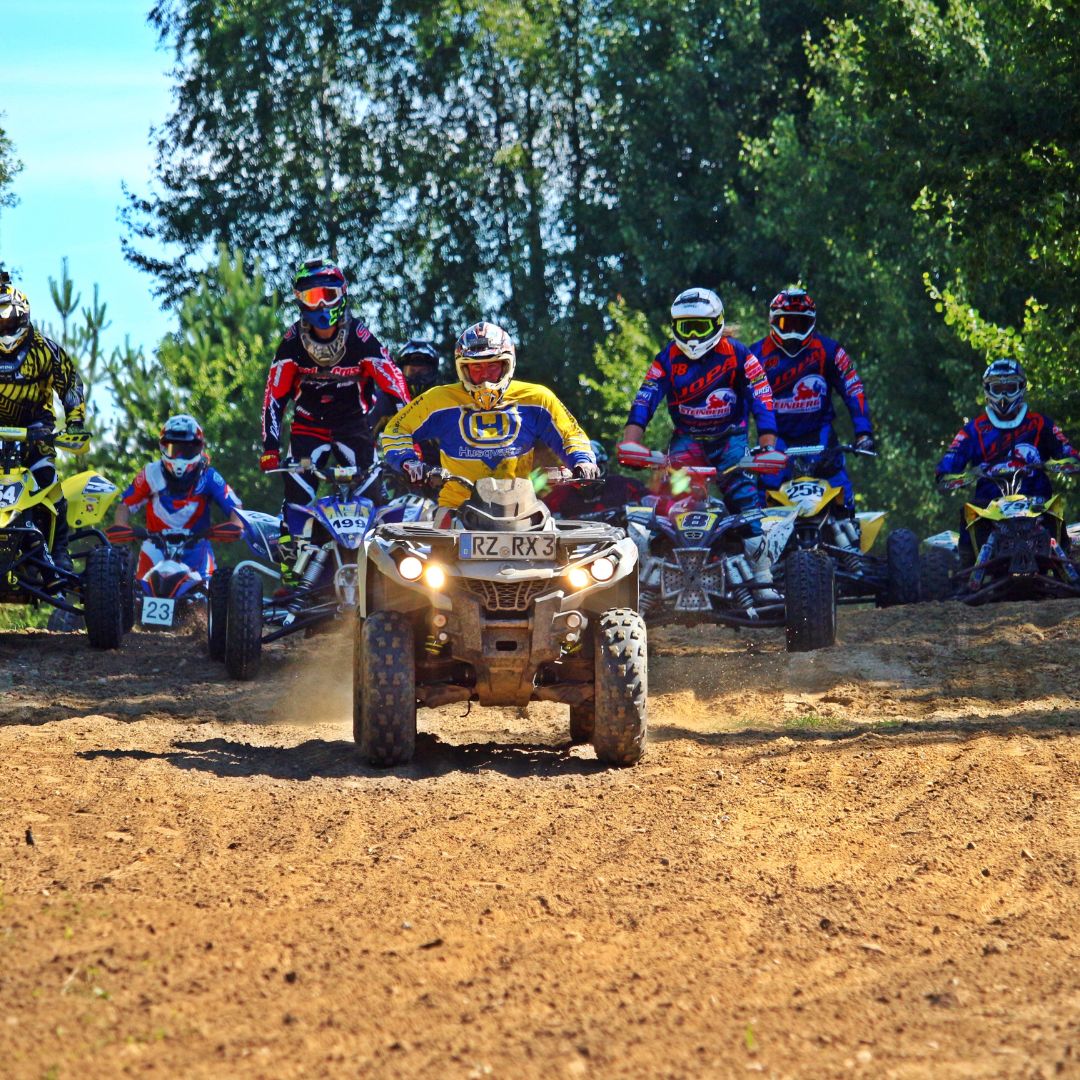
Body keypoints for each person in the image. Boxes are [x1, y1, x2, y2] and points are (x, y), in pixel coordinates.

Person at [617, 287, 778, 590]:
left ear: (717, 324)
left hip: (729, 440)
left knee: (744, 495)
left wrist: (767, 445)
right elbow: (645, 399)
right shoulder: (667, 357)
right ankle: (648, 582)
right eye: (684, 327)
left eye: (699, 327)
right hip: (688, 440)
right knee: (667, 500)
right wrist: (632, 443)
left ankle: (762, 577)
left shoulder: (739, 353)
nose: (691, 336)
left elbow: (763, 397)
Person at [260, 258, 410, 581]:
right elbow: (274, 396)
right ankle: (291, 576)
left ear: (342, 295)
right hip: (307, 427)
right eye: (312, 297)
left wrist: (409, 437)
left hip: (353, 426)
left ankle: (387, 576)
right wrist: (270, 446)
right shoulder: (290, 343)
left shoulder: (361, 338)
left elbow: (396, 386)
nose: (322, 304)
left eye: (328, 294)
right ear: (300, 301)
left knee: (373, 498)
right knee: (295, 499)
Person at [380, 321, 599, 515]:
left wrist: (582, 461)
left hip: (522, 509)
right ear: (462, 368)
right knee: (427, 560)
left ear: (507, 364)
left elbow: (570, 433)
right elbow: (396, 429)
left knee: (558, 558)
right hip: (456, 508)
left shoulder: (537, 399)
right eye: (476, 368)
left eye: (492, 366)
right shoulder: (439, 399)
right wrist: (407, 462)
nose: (485, 375)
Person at [936, 359, 1080, 567]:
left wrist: (1063, 463)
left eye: (1009, 388)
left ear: (1021, 388)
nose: (1003, 396)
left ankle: (1064, 564)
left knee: (1055, 511)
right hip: (989, 505)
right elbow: (949, 463)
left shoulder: (1039, 424)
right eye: (998, 388)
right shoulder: (974, 430)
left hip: (1036, 502)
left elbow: (1068, 452)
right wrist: (952, 475)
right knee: (968, 514)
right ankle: (965, 573)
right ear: (988, 390)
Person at [749, 288, 874, 507]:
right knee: (764, 494)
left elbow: (853, 388)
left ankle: (849, 537)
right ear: (773, 321)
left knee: (841, 495)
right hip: (776, 439)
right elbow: (740, 397)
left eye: (800, 324)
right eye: (787, 324)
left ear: (812, 323)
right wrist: (738, 441)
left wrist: (863, 432)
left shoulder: (830, 350)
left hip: (820, 436)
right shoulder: (756, 355)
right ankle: (760, 537)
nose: (794, 332)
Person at [0, 275, 89, 572]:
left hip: (35, 433)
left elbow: (70, 386)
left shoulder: (44, 350)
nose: (2, 323)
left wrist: (75, 424)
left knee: (48, 480)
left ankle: (58, 553)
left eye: (4, 314)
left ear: (21, 313)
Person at [115, 415, 244, 579]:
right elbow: (125, 504)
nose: (180, 457)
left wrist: (236, 525)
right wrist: (121, 527)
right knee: (137, 592)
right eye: (174, 450)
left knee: (212, 594)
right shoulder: (150, 473)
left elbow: (234, 506)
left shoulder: (209, 476)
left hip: (197, 546)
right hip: (156, 545)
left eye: (187, 450)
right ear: (163, 447)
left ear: (199, 449)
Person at [542, 441, 648, 521]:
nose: (588, 478)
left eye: (594, 471)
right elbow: (539, 514)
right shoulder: (559, 495)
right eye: (580, 472)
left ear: (604, 467)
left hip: (622, 545)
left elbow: (652, 502)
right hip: (572, 547)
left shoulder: (624, 486)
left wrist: (633, 509)